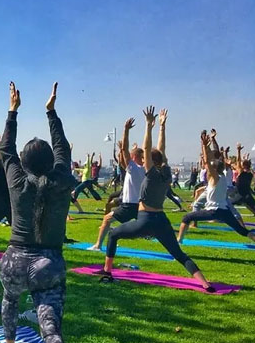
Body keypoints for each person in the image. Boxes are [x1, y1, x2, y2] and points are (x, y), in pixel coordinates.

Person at [0, 81, 86, 343]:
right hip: (48, 264)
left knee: (9, 299)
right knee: (51, 330)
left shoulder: (17, 180)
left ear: (24, 161)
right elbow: (62, 148)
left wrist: (13, 110)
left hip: (14, 261)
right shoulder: (62, 178)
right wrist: (51, 111)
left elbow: (6, 149)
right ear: (51, 161)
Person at [100, 107, 214, 292]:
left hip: (145, 220)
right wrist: (161, 126)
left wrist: (148, 126)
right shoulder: (166, 173)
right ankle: (205, 283)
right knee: (178, 253)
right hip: (162, 221)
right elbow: (160, 150)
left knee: (113, 234)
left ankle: (107, 272)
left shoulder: (151, 174)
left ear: (148, 161)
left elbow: (148, 148)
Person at [177, 132, 255, 243]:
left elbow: (207, 162)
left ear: (214, 170)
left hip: (214, 211)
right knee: (243, 231)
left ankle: (179, 240)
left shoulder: (215, 177)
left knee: (186, 218)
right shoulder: (222, 175)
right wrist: (209, 145)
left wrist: (204, 146)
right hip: (225, 211)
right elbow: (212, 160)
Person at [89, 118, 145, 250]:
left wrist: (125, 130)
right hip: (140, 205)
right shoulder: (147, 169)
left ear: (133, 157)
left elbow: (125, 150)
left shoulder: (133, 168)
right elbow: (126, 154)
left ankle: (98, 245)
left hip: (129, 205)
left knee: (107, 219)